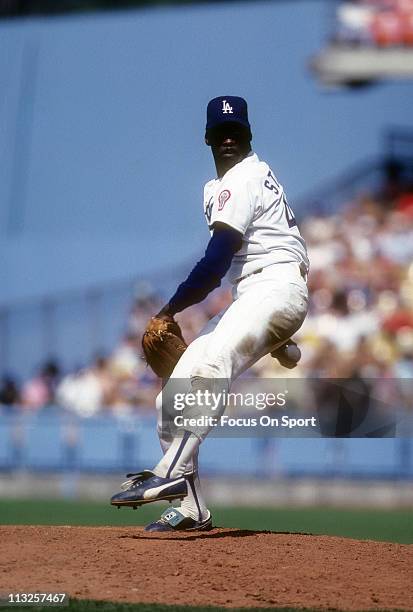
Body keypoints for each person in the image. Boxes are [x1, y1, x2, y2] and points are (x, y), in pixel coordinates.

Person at [111, 96, 309, 531]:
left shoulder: (243, 177)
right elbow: (248, 258)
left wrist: (168, 308)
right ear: (207, 137)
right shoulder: (224, 185)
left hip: (275, 286)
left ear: (249, 135)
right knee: (171, 398)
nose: (228, 138)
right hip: (259, 294)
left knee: (215, 359)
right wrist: (277, 336)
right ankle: (191, 508)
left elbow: (217, 262)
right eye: (220, 132)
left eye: (236, 130)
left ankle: (167, 474)